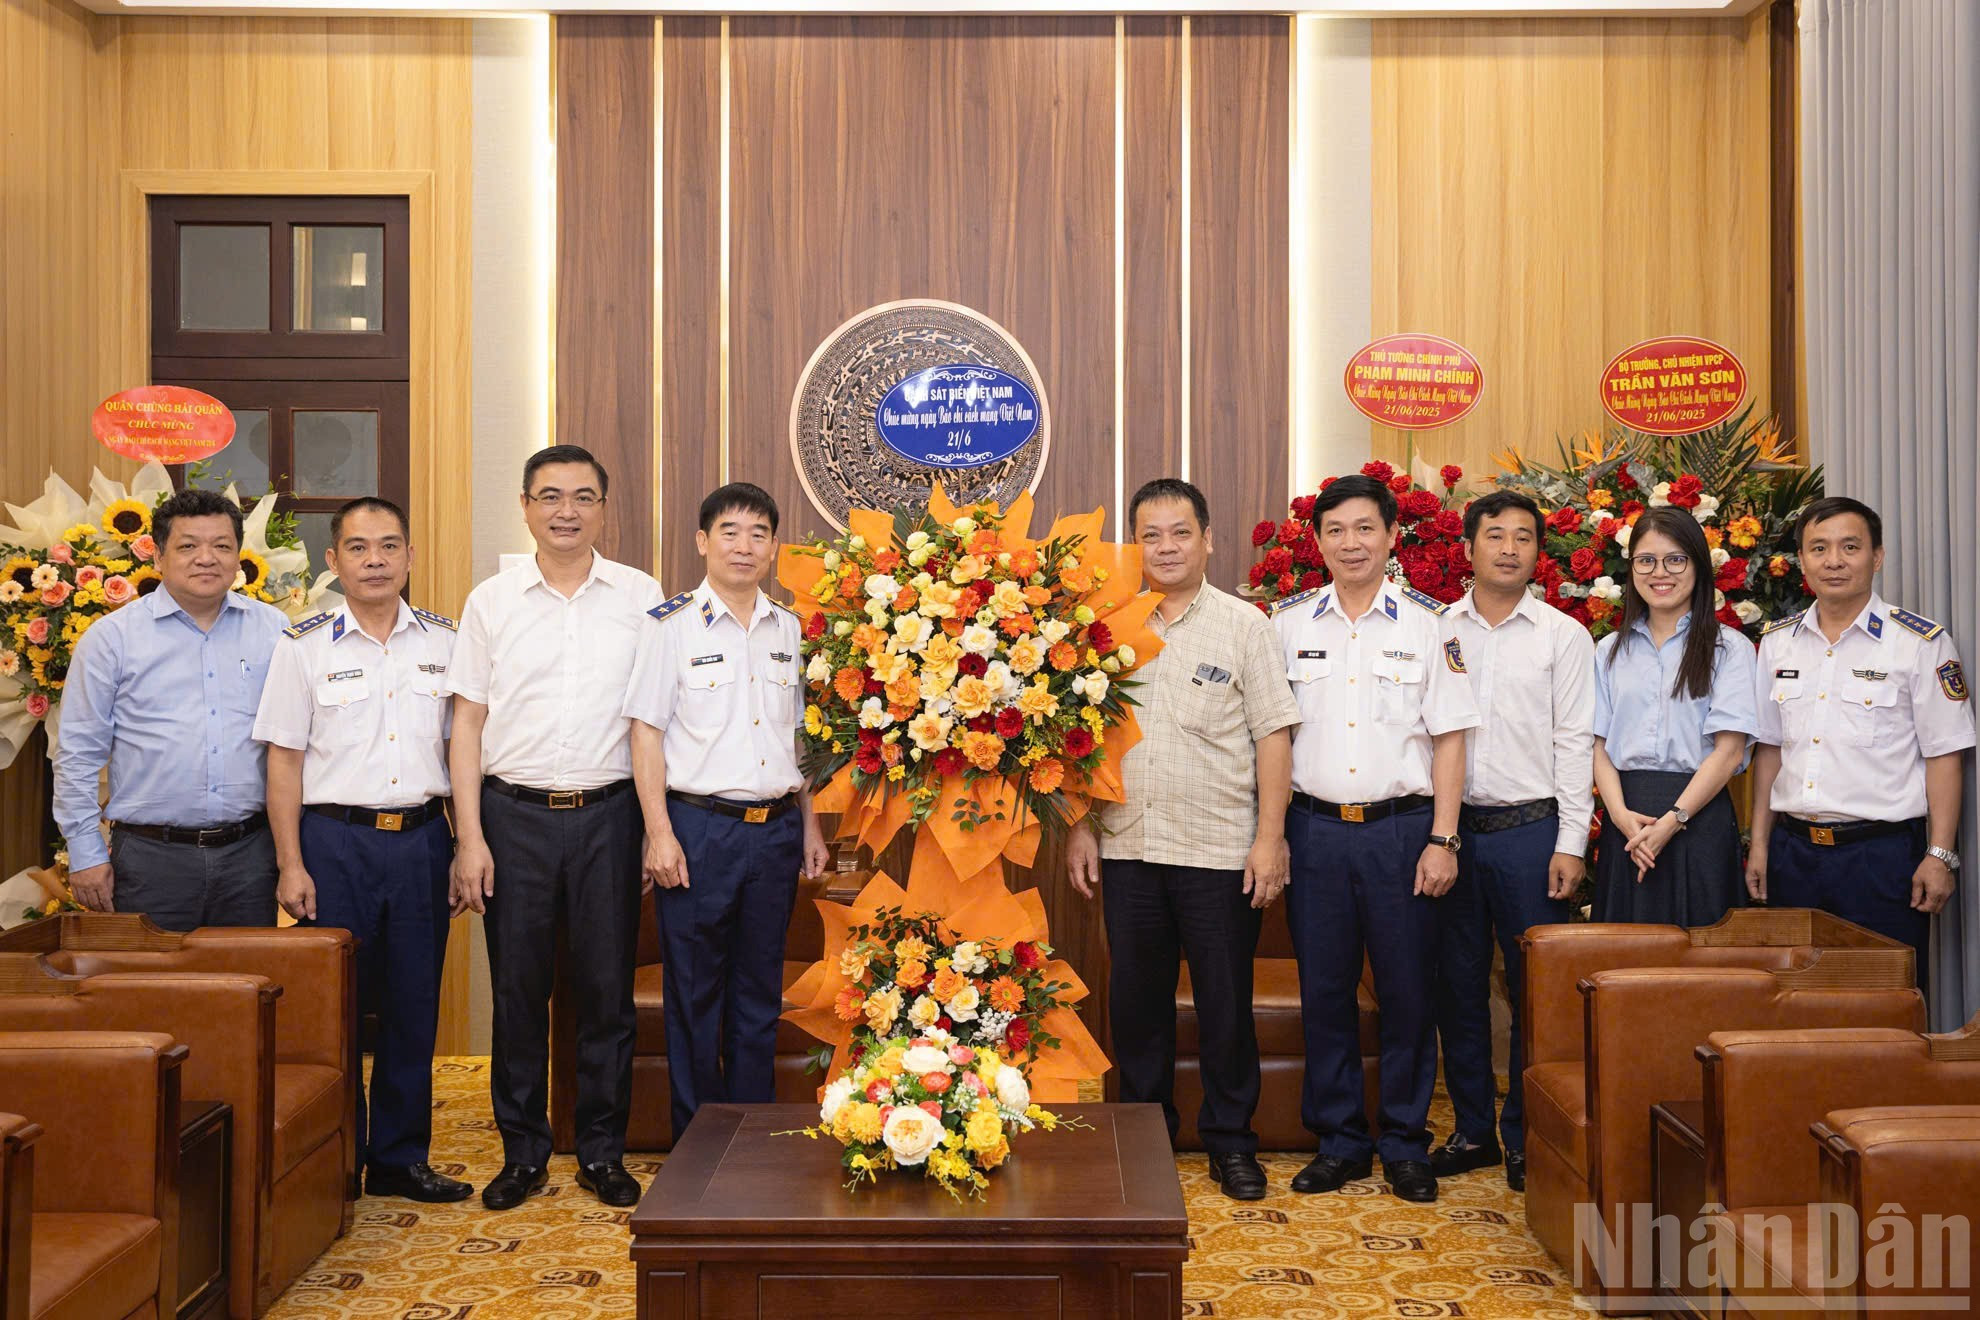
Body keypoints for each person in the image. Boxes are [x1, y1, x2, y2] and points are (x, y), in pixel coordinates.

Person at [1066, 478, 1300, 1201]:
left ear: (1208, 539)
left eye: (1179, 533)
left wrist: (1270, 839)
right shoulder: (1105, 626)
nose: (1165, 548)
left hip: (1219, 851)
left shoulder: (1245, 626)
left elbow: (1274, 735)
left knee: (1225, 1006)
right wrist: (1079, 826)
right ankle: (1143, 1139)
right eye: (1151, 535)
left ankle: (1233, 1142)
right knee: (1136, 1008)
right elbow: (1077, 736)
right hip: (1129, 846)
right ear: (1136, 544)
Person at [446, 445, 664, 1211]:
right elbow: (466, 724)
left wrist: (654, 827)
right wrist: (469, 837)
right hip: (513, 818)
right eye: (549, 496)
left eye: (581, 496)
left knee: (605, 993)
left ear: (605, 507)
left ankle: (601, 1152)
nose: (565, 510)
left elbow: (651, 722)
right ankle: (523, 1152)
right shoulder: (492, 602)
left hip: (609, 814)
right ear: (526, 505)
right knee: (518, 991)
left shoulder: (642, 597)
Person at [252, 496, 471, 1203]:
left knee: (413, 1004)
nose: (374, 560)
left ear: (409, 556)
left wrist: (467, 844)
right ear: (333, 560)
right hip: (332, 841)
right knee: (334, 1008)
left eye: (388, 546)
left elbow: (461, 750)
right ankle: (337, 1158)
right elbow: (282, 761)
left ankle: (400, 1159)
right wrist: (290, 862)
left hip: (420, 842)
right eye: (358, 548)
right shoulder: (302, 645)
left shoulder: (446, 641)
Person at [1272, 473, 1478, 1204]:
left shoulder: (1432, 625)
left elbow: (1451, 742)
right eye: (1335, 530)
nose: (1350, 543)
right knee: (1324, 990)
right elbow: (1272, 739)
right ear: (1317, 540)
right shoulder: (1289, 624)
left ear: (1392, 535)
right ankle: (1340, 1142)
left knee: (1406, 992)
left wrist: (1444, 841)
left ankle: (1403, 1141)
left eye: (1365, 528)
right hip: (1315, 830)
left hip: (1403, 833)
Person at [624, 482, 829, 1143]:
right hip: (698, 829)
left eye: (759, 533)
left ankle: (751, 1143)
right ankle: (698, 1146)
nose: (745, 545)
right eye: (731, 532)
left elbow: (800, 739)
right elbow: (645, 734)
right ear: (703, 542)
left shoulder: (790, 630)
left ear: (774, 546)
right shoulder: (669, 627)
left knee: (758, 994)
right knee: (695, 995)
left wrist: (812, 827)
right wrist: (658, 833)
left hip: (774, 834)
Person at [1431, 491, 1594, 1193]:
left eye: (1522, 537)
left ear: (1537, 553)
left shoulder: (1563, 636)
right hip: (1451, 835)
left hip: (1533, 835)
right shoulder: (1437, 630)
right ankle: (1473, 1129)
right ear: (1467, 549)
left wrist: (1572, 843)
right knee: (1457, 986)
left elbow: (1575, 742)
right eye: (1493, 535)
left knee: (1537, 994)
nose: (1507, 548)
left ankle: (1529, 1133)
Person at [1746, 497, 1973, 987]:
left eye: (1850, 547)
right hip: (1793, 855)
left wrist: (1940, 855)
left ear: (1877, 556)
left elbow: (1945, 754)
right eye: (1819, 548)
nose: (1834, 561)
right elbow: (1769, 751)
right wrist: (1759, 845)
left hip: (1881, 859)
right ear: (1801, 560)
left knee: (1885, 1011)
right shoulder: (1777, 642)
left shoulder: (1919, 643)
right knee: (1792, 1008)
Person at [54, 488, 289, 928]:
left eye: (222, 545)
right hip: (149, 859)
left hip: (250, 855)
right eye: (188, 546)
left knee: (247, 988)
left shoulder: (274, 629)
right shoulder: (111, 638)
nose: (207, 557)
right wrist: (85, 851)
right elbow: (77, 753)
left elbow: (295, 742)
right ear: (158, 557)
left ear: (238, 557)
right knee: (150, 991)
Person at [1591, 506, 1758, 924]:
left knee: (1702, 968)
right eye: (1645, 560)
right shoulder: (1610, 650)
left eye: (1675, 559)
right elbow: (1597, 745)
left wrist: (1672, 821)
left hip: (1698, 820)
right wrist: (1620, 818)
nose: (1659, 572)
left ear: (1698, 566)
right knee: (1624, 966)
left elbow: (1729, 751)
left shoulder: (1730, 648)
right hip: (1627, 821)